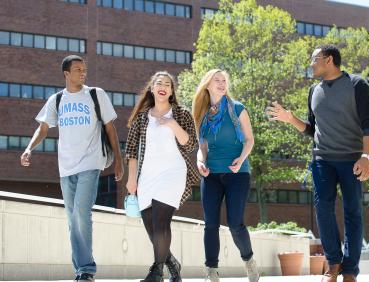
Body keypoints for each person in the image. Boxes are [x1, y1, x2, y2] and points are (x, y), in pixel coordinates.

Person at [266, 44, 369, 282]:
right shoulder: (314, 91)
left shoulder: (357, 85)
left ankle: (350, 270)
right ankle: (333, 264)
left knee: (353, 213)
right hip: (322, 160)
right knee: (323, 210)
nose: (311, 63)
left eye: (314, 59)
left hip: (352, 159)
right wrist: (289, 119)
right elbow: (312, 129)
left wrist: (366, 157)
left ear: (328, 60)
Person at [20, 55, 124, 281]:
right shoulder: (57, 100)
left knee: (81, 213)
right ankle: (80, 270)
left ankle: (86, 269)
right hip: (65, 168)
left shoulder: (96, 94)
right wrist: (29, 148)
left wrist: (118, 159)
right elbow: (43, 129)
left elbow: (110, 128)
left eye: (84, 69)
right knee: (72, 219)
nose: (83, 73)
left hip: (91, 162)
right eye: (77, 69)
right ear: (66, 73)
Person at [125, 71, 199, 282]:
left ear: (171, 91)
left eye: (168, 83)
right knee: (151, 227)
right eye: (159, 82)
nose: (163, 86)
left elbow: (191, 143)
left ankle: (157, 271)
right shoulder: (142, 116)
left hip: (174, 173)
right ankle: (172, 263)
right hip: (147, 175)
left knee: (161, 221)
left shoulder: (182, 114)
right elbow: (130, 150)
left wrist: (172, 125)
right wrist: (132, 179)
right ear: (152, 88)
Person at [191, 69, 259, 282]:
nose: (221, 83)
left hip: (237, 173)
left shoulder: (237, 108)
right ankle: (211, 270)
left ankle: (248, 260)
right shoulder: (202, 114)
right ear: (207, 85)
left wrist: (241, 159)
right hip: (211, 175)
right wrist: (200, 161)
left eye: (224, 80)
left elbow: (249, 140)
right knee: (210, 223)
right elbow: (202, 146)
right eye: (216, 80)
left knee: (235, 223)